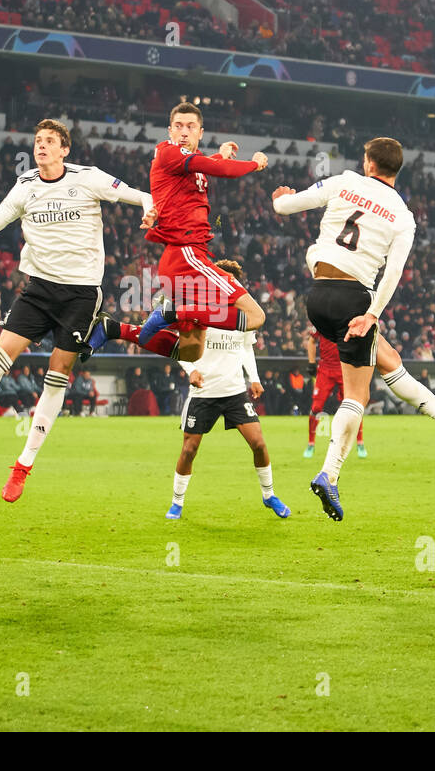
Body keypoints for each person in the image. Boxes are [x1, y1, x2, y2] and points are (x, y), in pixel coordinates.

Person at [0, 119, 152, 502]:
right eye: (37, 140)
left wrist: (150, 210)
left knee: (57, 375)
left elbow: (140, 195)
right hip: (38, 288)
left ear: (64, 149)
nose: (41, 146)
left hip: (80, 294)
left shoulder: (87, 178)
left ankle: (22, 467)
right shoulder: (25, 186)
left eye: (49, 141)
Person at [273, 137, 435, 520]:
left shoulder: (344, 181)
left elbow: (285, 206)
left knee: (389, 358)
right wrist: (373, 312)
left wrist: (281, 197)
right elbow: (393, 272)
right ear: (396, 169)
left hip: (318, 296)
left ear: (369, 163)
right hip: (353, 298)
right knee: (357, 396)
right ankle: (329, 473)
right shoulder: (403, 216)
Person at [84, 101, 267, 363]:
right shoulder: (168, 151)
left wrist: (221, 155)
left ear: (200, 132)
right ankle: (173, 312)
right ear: (170, 130)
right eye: (178, 126)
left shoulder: (188, 163)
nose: (184, 131)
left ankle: (115, 329)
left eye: (190, 127)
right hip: (186, 256)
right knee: (256, 316)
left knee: (191, 352)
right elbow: (220, 170)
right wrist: (254, 164)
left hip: (182, 258)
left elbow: (208, 165)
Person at [167, 259, 287, 521]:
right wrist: (191, 371)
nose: (228, 286)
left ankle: (269, 496)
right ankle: (177, 502)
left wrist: (253, 378)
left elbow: (246, 347)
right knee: (189, 450)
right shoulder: (198, 309)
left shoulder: (243, 315)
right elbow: (179, 347)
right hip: (203, 392)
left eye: (232, 282)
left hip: (234, 392)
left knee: (258, 444)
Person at [305, 330, 364, 459]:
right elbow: (311, 340)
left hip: (344, 368)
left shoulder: (347, 319)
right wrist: (311, 362)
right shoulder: (322, 319)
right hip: (325, 370)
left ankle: (360, 443)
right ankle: (311, 444)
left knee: (353, 405)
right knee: (316, 408)